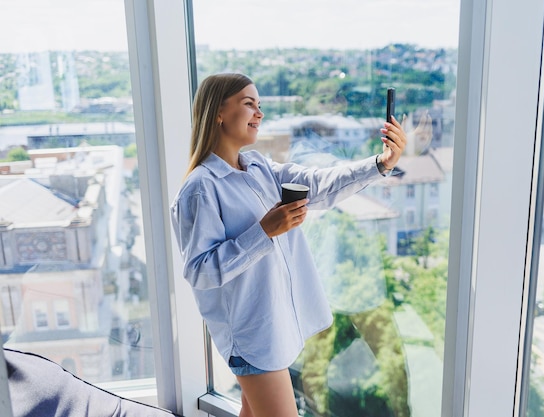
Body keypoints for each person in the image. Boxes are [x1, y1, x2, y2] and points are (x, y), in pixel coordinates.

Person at [170, 72, 407, 417]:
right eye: (248, 103)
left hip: (273, 330)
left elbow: (319, 185)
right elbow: (200, 272)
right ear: (218, 113)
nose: (259, 113)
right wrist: (264, 231)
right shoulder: (201, 188)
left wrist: (380, 164)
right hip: (253, 340)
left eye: (260, 105)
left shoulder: (258, 168)